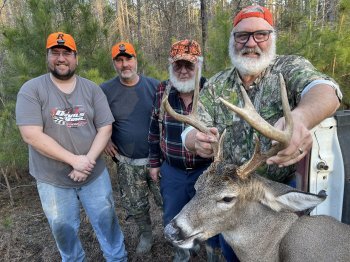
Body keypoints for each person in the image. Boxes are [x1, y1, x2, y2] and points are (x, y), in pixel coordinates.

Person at [183, 6, 342, 192]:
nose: (250, 43)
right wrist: (194, 140)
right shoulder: (215, 84)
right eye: (242, 35)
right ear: (232, 41)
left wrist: (300, 119)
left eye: (260, 35)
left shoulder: (289, 68)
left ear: (272, 39)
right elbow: (189, 131)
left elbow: (325, 90)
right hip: (234, 189)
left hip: (281, 188)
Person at [16, 32, 127, 261]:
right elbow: (31, 135)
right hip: (52, 179)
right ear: (47, 57)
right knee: (63, 229)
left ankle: (117, 258)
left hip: (94, 175)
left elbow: (105, 127)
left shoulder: (91, 89)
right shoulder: (32, 89)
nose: (61, 58)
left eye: (66, 53)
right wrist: (74, 160)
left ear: (75, 57)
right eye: (55, 53)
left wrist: (86, 162)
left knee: (107, 220)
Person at [148, 39, 235, 262]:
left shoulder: (213, 91)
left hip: (205, 172)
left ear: (199, 66)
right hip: (173, 171)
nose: (184, 71)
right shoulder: (162, 91)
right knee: (173, 216)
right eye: (179, 65)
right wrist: (155, 163)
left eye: (189, 65)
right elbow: (153, 129)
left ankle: (212, 254)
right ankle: (183, 253)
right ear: (171, 66)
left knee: (211, 217)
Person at [100, 41, 163, 254]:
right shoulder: (105, 90)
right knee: (136, 205)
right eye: (119, 60)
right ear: (114, 64)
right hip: (127, 163)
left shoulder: (156, 86)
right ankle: (146, 235)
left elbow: (170, 118)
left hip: (157, 160)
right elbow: (93, 119)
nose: (124, 64)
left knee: (167, 201)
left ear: (136, 60)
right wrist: (105, 140)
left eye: (128, 59)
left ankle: (175, 235)